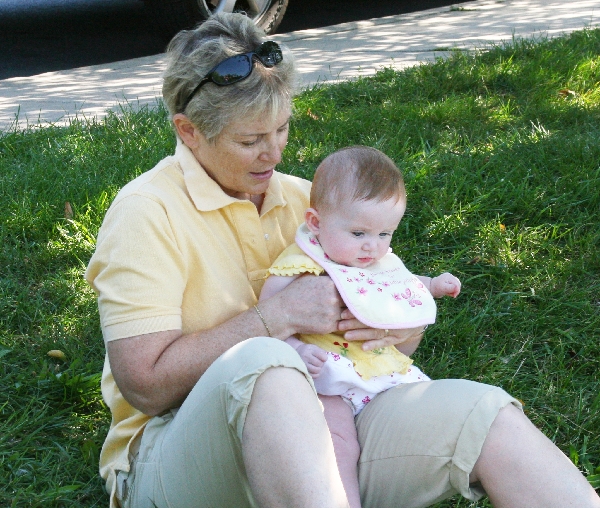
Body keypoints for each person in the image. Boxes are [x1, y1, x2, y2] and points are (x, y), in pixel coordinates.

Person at [84, 11, 600, 508]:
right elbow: (145, 386)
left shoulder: (308, 202)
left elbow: (399, 333)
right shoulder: (145, 213)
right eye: (250, 140)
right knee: (267, 362)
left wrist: (387, 327)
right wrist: (275, 318)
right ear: (188, 130)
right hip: (170, 458)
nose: (275, 153)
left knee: (486, 414)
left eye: (281, 130)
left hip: (330, 428)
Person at [259, 145, 462, 507]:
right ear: (316, 223)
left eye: (385, 234)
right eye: (359, 234)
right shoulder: (301, 264)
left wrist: (431, 285)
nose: (373, 247)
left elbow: (400, 283)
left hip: (380, 370)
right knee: (335, 441)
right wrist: (297, 349)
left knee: (429, 421)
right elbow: (269, 316)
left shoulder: (373, 260)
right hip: (326, 379)